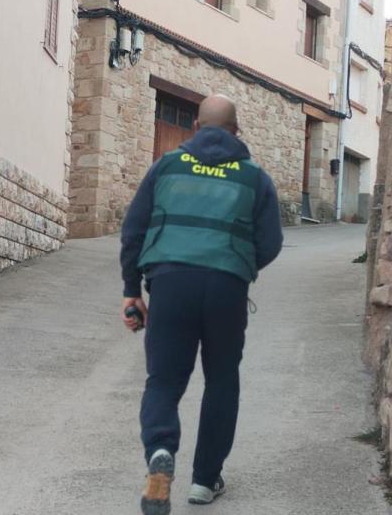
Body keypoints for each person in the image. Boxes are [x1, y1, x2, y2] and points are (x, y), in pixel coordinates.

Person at [120, 94, 284, 514]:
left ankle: (160, 451)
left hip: (170, 283)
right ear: (236, 132)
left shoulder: (166, 167)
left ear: (195, 127)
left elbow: (134, 231)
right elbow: (270, 243)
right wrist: (238, 264)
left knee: (163, 381)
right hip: (226, 288)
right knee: (222, 380)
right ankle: (204, 480)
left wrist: (131, 289)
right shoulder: (254, 178)